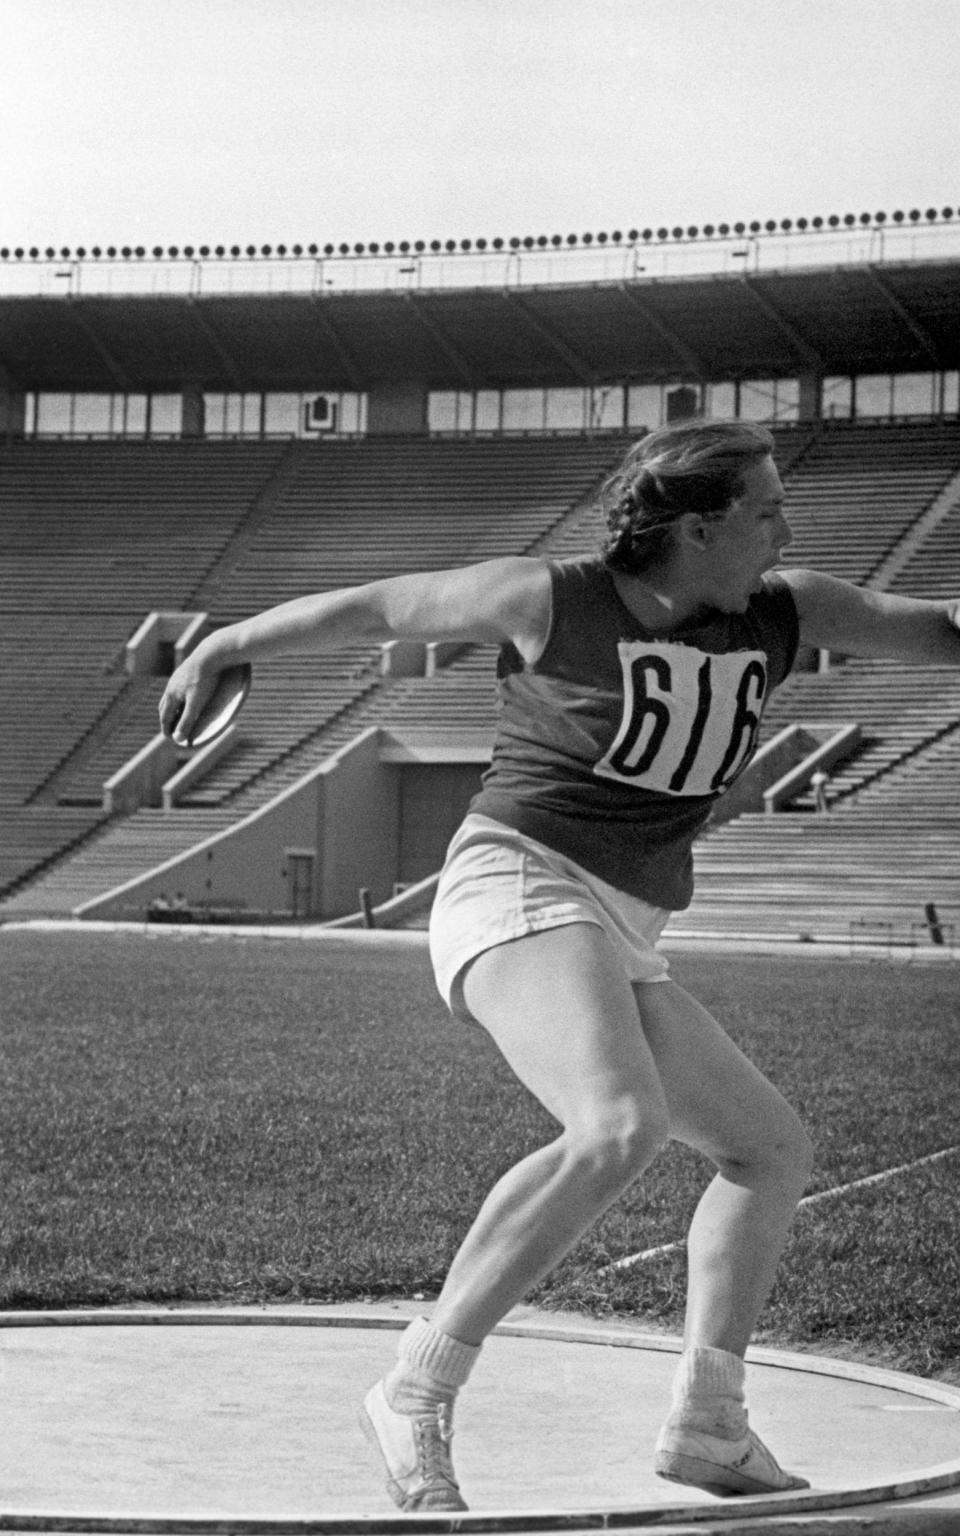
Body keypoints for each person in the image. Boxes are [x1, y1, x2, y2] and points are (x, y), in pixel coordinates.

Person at [159, 419, 960, 1511]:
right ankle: (416, 1386)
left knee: (768, 1150)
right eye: (767, 509)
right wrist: (224, 643)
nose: (788, 527)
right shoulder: (550, 598)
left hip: (622, 924)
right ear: (696, 528)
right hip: (517, 881)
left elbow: (940, 630)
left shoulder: (787, 607)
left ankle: (710, 1421)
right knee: (618, 1123)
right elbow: (380, 606)